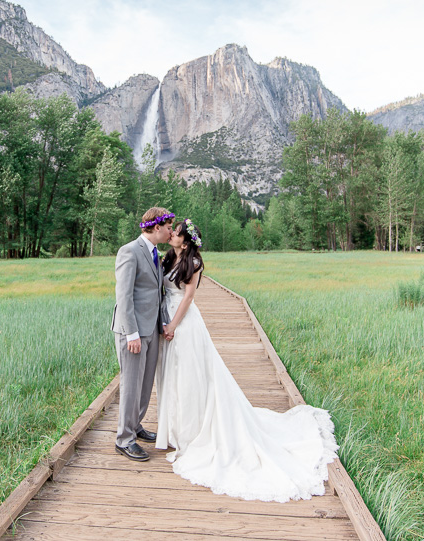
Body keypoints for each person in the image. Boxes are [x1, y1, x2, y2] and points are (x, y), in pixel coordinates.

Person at [155, 219, 339, 502]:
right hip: (166, 316)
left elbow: (188, 298)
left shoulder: (194, 264)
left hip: (184, 324)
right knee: (173, 375)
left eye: (176, 233)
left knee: (191, 375)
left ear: (186, 239)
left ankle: (193, 433)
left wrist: (173, 326)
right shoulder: (169, 257)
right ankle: (175, 429)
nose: (171, 235)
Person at [110, 207, 174, 461]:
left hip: (152, 328)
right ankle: (124, 439)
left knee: (146, 384)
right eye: (169, 227)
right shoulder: (129, 251)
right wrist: (132, 334)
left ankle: (135, 425)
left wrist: (164, 324)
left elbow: (157, 293)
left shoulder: (155, 253)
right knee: (131, 385)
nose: (171, 231)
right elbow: (123, 296)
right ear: (156, 227)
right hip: (133, 330)